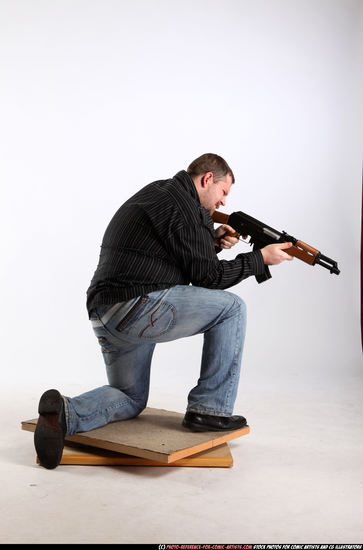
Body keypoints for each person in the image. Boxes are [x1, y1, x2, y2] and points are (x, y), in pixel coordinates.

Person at [34, 153, 293, 469]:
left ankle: (63, 414)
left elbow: (175, 256)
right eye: (224, 192)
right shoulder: (181, 207)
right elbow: (208, 278)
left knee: (129, 397)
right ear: (207, 179)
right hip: (136, 305)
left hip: (107, 313)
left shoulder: (165, 195)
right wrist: (260, 260)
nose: (224, 203)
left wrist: (210, 241)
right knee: (232, 309)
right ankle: (210, 411)